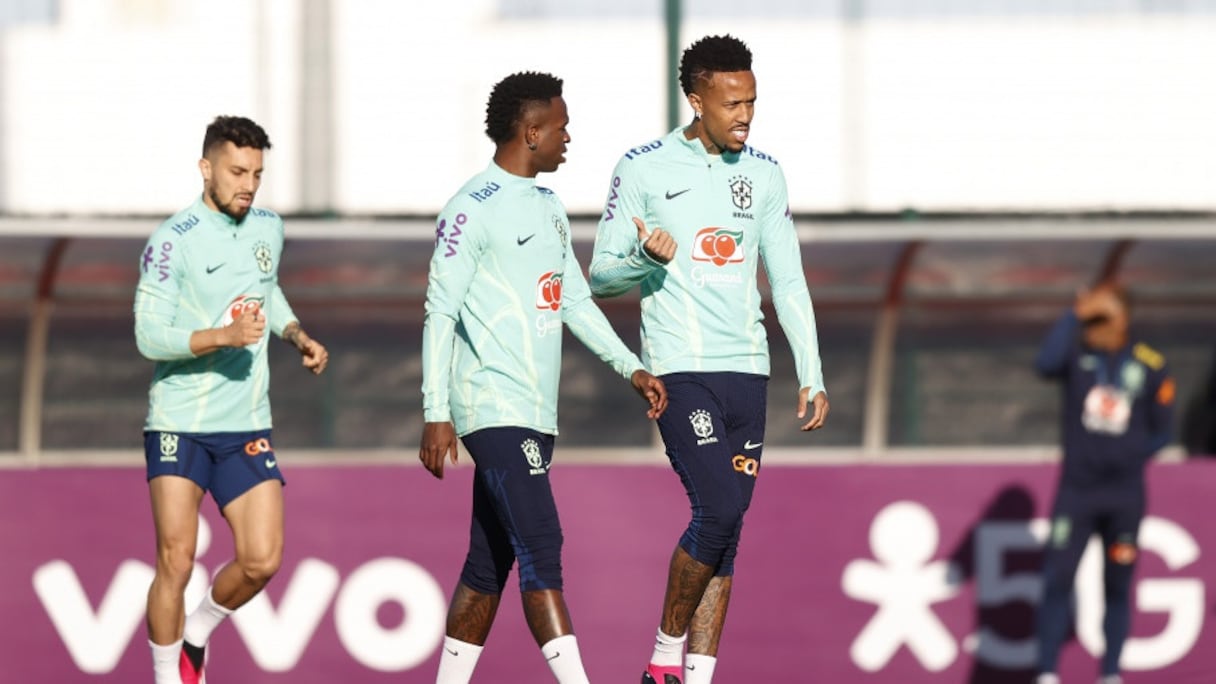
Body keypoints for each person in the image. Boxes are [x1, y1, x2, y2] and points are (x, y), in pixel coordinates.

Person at [589, 34, 829, 684]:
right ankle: (662, 660)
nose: (744, 116)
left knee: (728, 533)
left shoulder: (765, 173)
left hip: (748, 373)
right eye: (730, 105)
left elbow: (788, 281)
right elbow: (600, 277)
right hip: (681, 369)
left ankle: (697, 677)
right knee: (718, 509)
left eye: (751, 102)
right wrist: (643, 259)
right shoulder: (642, 168)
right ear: (696, 101)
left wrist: (810, 370)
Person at [419, 71, 668, 684]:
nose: (568, 137)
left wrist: (631, 367)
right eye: (561, 127)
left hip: (534, 411)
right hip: (491, 404)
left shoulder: (549, 207)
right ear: (531, 133)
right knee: (542, 544)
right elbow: (439, 312)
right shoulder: (469, 209)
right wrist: (435, 410)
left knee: (488, 564)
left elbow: (574, 301)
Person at [134, 115, 329, 684]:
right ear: (206, 168)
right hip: (179, 421)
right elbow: (148, 336)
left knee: (262, 559)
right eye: (237, 172)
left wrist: (295, 334)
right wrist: (223, 336)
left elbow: (267, 291)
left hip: (244, 421)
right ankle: (168, 677)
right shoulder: (172, 241)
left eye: (257, 174)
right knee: (176, 559)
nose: (248, 185)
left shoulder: (269, 227)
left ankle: (196, 634)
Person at [1033, 282, 1175, 684]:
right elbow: (1044, 364)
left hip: (1124, 495)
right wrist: (1073, 314)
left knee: (1118, 582)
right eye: (1089, 320)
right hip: (1076, 491)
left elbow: (1163, 431)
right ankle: (1047, 674)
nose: (1093, 327)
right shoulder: (1076, 354)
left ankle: (1111, 674)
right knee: (1057, 578)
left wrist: (1127, 455)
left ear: (1122, 318)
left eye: (1101, 318)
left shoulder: (1149, 363)